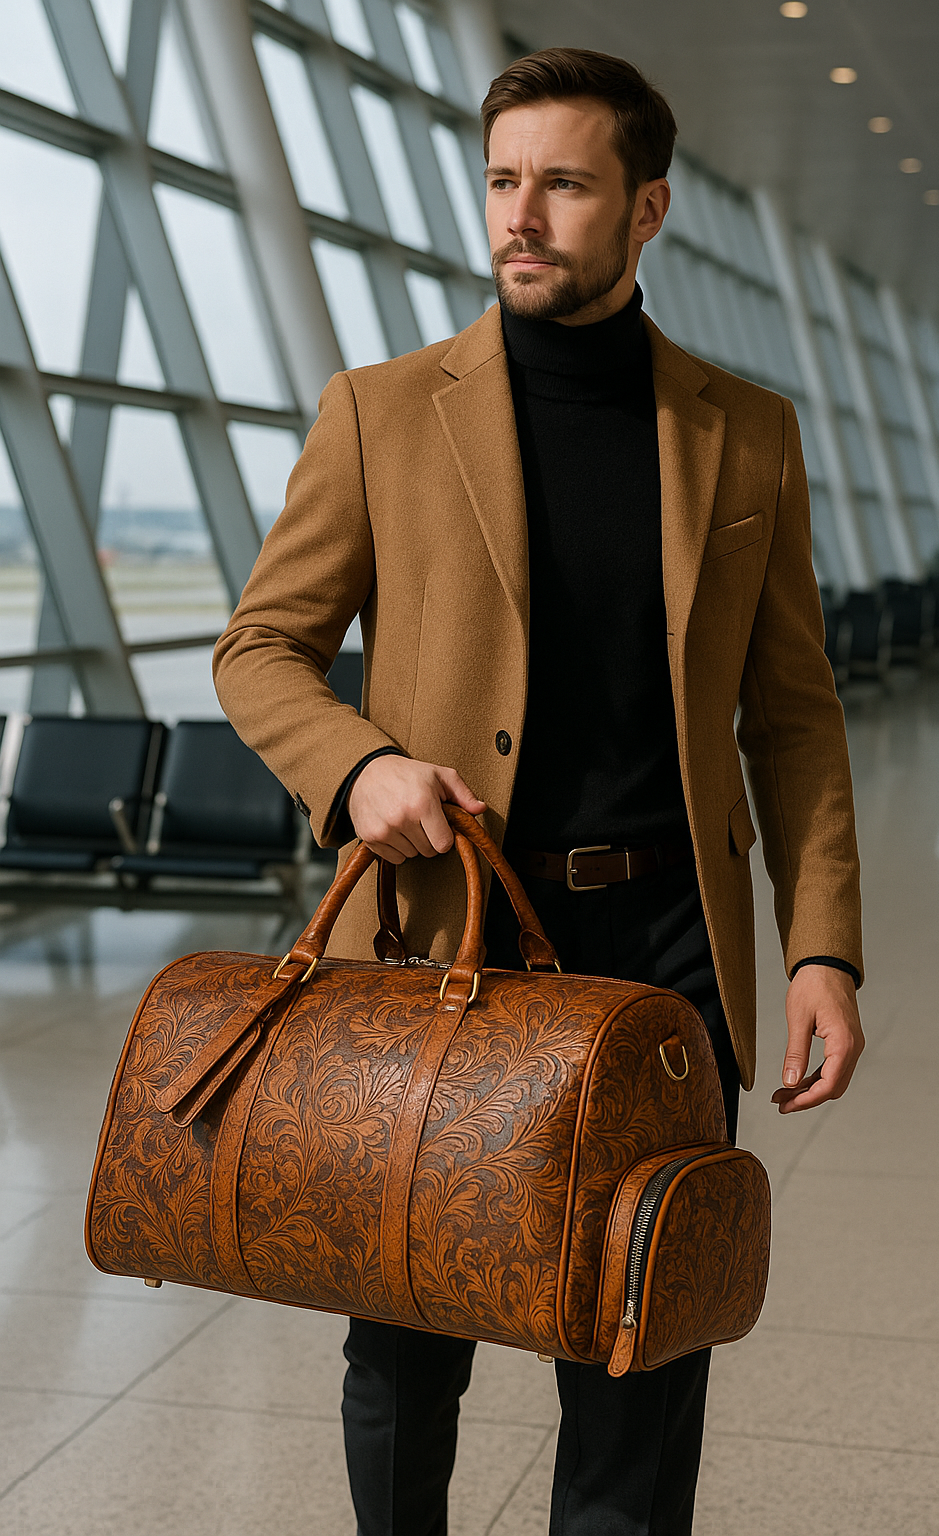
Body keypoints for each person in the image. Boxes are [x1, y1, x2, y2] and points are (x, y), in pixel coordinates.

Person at [213, 46, 865, 1536]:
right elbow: (260, 649)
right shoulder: (380, 412)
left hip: (664, 970)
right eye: (504, 180)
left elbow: (798, 717)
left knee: (643, 1348)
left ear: (647, 210)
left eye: (563, 184)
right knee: (403, 1342)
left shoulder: (743, 431)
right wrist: (359, 763)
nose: (521, 215)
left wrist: (820, 945)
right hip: (447, 954)